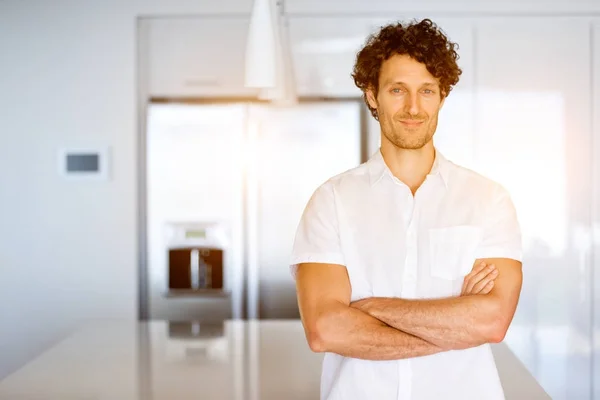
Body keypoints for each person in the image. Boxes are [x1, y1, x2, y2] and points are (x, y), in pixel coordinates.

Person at [290, 18, 523, 400]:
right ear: (372, 95)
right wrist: (456, 327)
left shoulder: (488, 200)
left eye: (427, 91)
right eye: (398, 90)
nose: (414, 107)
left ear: (442, 97)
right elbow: (325, 330)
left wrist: (371, 308)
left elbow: (492, 322)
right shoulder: (331, 202)